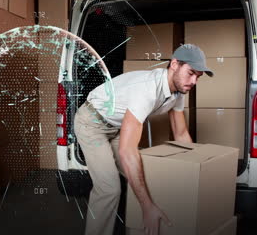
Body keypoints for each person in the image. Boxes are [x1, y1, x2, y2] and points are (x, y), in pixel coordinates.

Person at [74, 44, 214, 235]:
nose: (194, 81)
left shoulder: (178, 91)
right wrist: (147, 207)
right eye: (191, 73)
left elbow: (181, 134)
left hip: (117, 127)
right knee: (109, 188)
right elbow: (127, 151)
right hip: (92, 123)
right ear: (174, 64)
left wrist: (198, 172)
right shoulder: (147, 90)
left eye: (198, 76)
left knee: (145, 176)